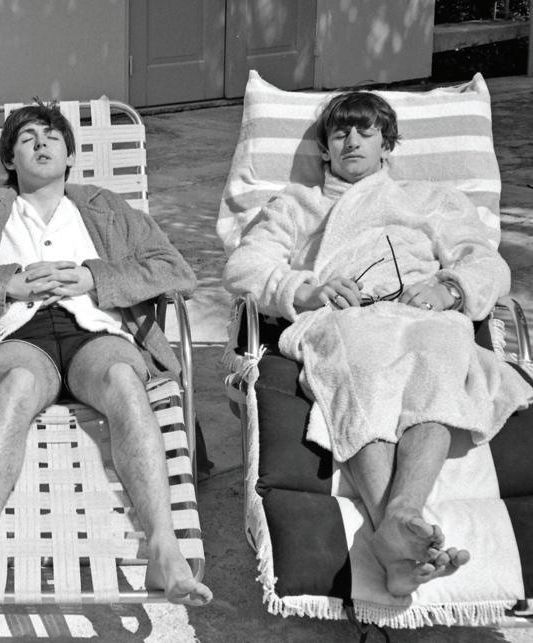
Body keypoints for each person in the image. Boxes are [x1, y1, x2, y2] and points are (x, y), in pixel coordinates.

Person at [222, 91, 533, 597]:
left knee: (437, 368)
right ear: (324, 148)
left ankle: (398, 523)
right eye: (340, 133)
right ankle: (400, 522)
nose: (351, 141)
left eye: (365, 132)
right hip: (344, 317)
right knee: (363, 370)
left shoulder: (430, 199)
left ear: (386, 145)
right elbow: (244, 266)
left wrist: (450, 289)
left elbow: (487, 263)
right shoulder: (297, 204)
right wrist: (304, 289)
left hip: (424, 316)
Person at [0, 102, 212, 612]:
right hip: (16, 336)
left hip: (96, 329)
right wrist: (6, 284)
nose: (41, 143)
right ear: (10, 160)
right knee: (16, 387)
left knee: (124, 377)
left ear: (70, 155)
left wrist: (94, 278)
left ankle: (164, 547)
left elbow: (175, 270)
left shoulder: (105, 207)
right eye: (27, 138)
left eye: (52, 136)